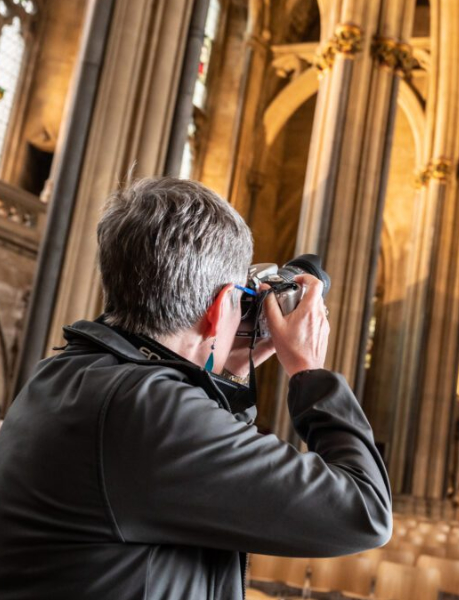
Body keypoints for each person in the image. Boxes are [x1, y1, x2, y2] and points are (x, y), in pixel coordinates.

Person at [0, 178, 392, 599]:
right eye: (240, 298)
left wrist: (231, 369)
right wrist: (307, 369)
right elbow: (364, 511)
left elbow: (197, 479)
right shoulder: (149, 411)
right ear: (222, 306)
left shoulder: (67, 373)